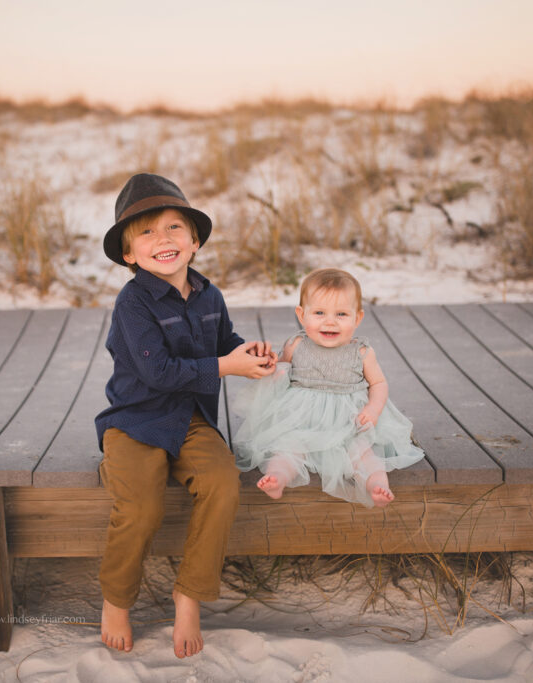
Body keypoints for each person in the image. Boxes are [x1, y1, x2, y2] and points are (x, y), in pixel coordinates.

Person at [94, 173, 276, 659]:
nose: (164, 239)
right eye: (147, 232)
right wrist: (224, 366)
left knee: (222, 481)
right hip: (135, 420)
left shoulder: (209, 296)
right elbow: (157, 372)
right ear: (130, 254)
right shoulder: (132, 302)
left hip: (190, 418)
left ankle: (188, 593)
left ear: (194, 241)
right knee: (142, 507)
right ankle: (116, 599)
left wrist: (247, 353)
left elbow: (224, 346)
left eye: (174, 227)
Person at [233, 268, 424, 508]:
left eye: (341, 314)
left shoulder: (362, 352)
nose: (330, 321)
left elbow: (379, 384)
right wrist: (273, 369)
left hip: (348, 422)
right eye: (320, 313)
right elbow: (280, 370)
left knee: (362, 453)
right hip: (302, 420)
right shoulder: (296, 345)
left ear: (358, 318)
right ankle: (277, 478)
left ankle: (377, 484)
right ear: (302, 315)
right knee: (288, 448)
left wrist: (373, 410)